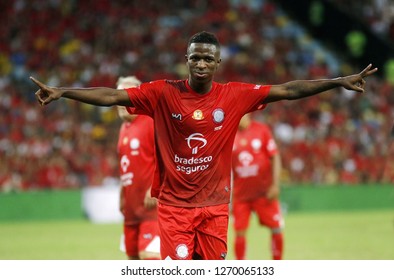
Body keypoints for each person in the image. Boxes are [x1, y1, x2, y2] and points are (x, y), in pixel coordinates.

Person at [30, 31, 377, 260]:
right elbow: (112, 95)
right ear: (187, 59)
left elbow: (288, 90)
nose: (200, 63)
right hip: (174, 208)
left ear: (217, 64)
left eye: (207, 59)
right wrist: (63, 92)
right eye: (195, 57)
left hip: (214, 207)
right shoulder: (162, 92)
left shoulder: (235, 95)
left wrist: (337, 82)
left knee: (211, 272)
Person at [116, 76, 160, 260]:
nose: (119, 101)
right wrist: (121, 194)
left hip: (151, 208)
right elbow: (126, 167)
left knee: (149, 256)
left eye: (124, 96)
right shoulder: (124, 128)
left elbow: (166, 158)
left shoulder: (151, 121)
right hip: (131, 209)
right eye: (117, 96)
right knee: (132, 258)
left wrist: (154, 187)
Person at [231, 113, 284, 260]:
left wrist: (275, 184)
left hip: (264, 192)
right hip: (241, 195)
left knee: (276, 227)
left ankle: (277, 263)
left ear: (247, 113)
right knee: (239, 232)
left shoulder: (262, 130)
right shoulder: (230, 132)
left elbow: (275, 157)